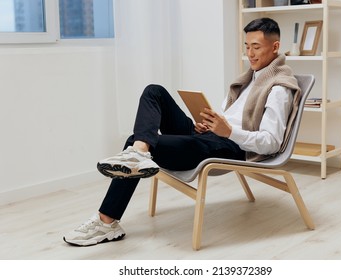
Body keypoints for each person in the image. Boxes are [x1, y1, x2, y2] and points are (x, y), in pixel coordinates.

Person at [63, 17, 301, 246]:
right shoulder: (248, 78)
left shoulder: (279, 88)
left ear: (275, 47)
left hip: (230, 147)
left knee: (134, 140)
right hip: (211, 136)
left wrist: (227, 132)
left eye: (256, 47)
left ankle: (107, 222)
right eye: (247, 46)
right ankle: (139, 153)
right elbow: (229, 118)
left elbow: (272, 143)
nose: (249, 53)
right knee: (153, 91)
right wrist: (208, 124)